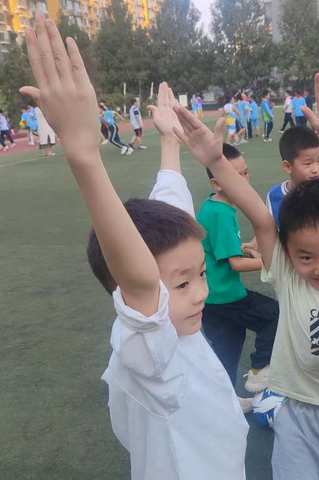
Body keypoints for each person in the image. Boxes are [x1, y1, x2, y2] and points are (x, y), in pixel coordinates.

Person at [20, 17, 248, 479]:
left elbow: (172, 206)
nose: (200, 292)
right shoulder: (148, 352)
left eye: (199, 274)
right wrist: (84, 153)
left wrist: (169, 140)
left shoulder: (174, 323)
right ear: (132, 294)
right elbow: (144, 281)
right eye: (182, 283)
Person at [173, 66, 319, 480]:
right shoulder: (285, 271)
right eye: (305, 257)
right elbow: (262, 220)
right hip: (299, 411)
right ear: (286, 253)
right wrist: (214, 160)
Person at [196, 142, 279, 408]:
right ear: (217, 184)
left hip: (213, 295)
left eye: (245, 173)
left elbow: (222, 251)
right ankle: (258, 373)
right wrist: (271, 263)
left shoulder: (214, 207)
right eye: (236, 176)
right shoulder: (221, 213)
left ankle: (223, 403)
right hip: (224, 295)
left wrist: (244, 249)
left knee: (227, 351)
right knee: (273, 314)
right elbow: (234, 264)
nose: (244, 180)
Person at [266, 126, 319, 226]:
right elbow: (270, 233)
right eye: (308, 163)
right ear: (287, 166)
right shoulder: (274, 196)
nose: (316, 170)